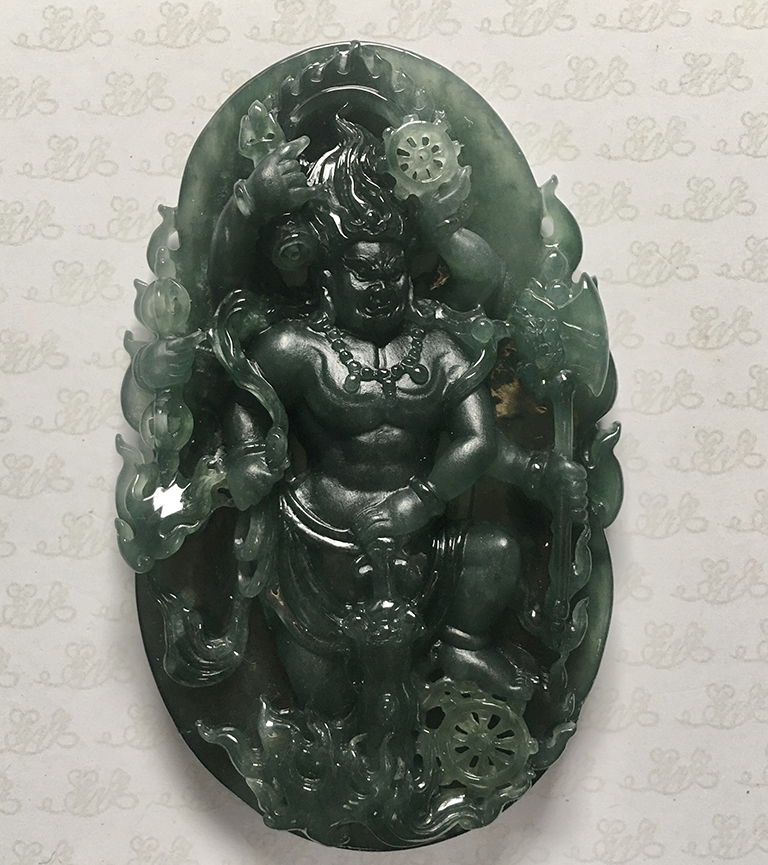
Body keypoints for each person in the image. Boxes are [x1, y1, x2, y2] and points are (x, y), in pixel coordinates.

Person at [206, 117, 587, 718]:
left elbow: (480, 440)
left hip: (421, 539)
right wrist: (247, 454)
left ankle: (462, 645)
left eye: (393, 273)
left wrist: (527, 475)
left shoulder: (435, 348)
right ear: (328, 278)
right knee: (326, 707)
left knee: (496, 551)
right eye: (364, 273)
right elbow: (246, 390)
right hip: (320, 544)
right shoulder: (300, 349)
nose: (382, 286)